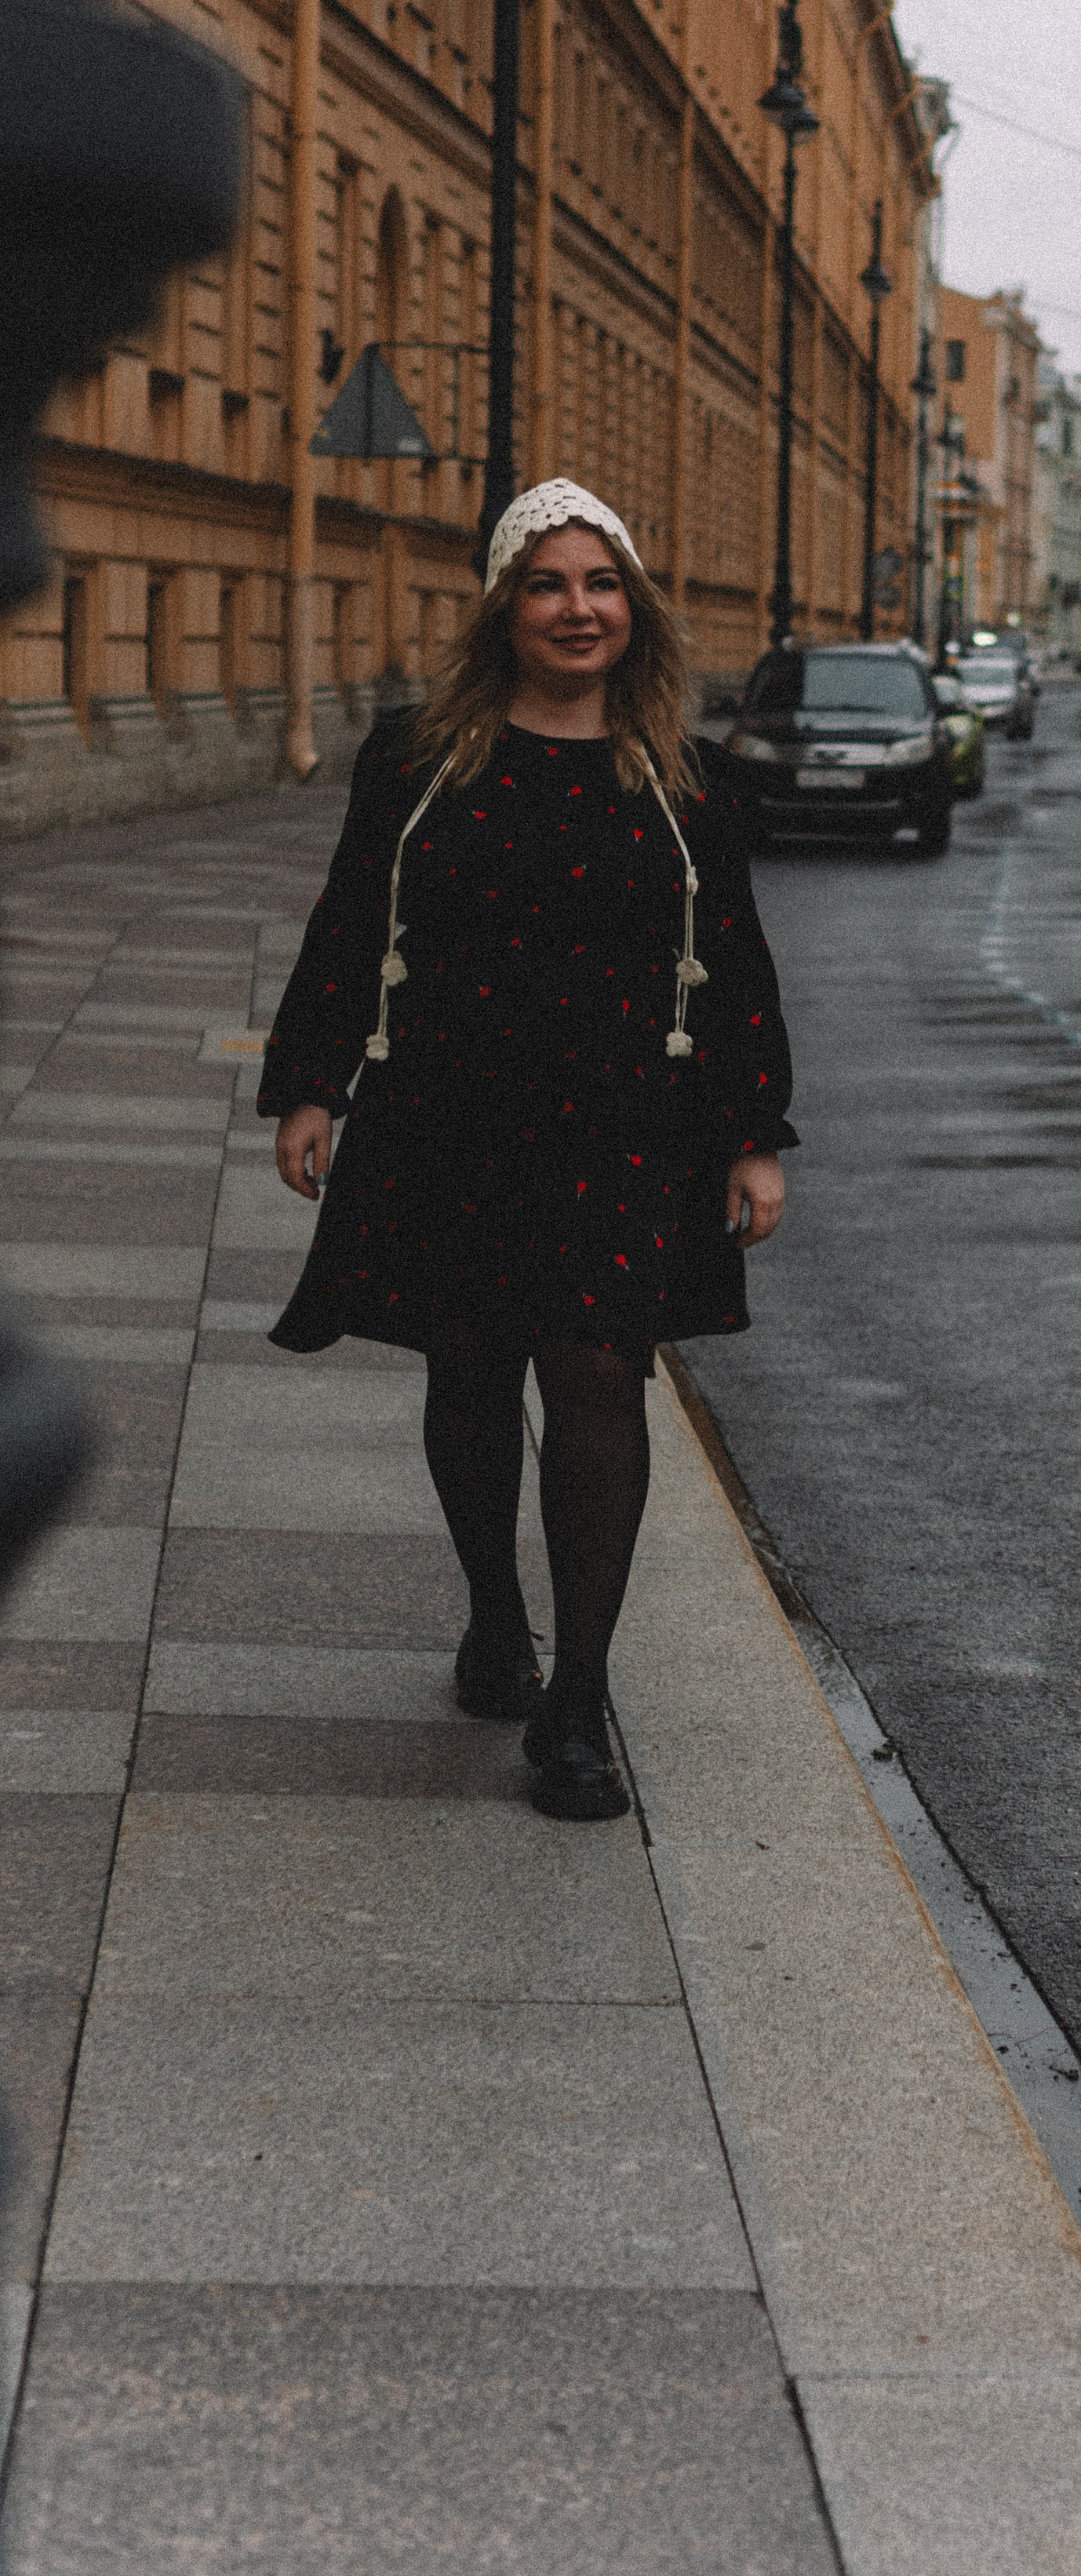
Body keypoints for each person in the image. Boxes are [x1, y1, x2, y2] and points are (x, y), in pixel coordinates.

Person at [258, 479, 794, 1821]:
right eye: (549, 583)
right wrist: (310, 1087)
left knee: (600, 1370)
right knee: (474, 1367)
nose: (577, 609)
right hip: (450, 1109)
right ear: (505, 605)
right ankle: (498, 1618)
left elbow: (729, 961)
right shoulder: (417, 758)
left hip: (625, 1127)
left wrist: (753, 1134)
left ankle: (578, 1705)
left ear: (635, 606)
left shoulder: (683, 777)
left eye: (600, 583)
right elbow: (347, 921)